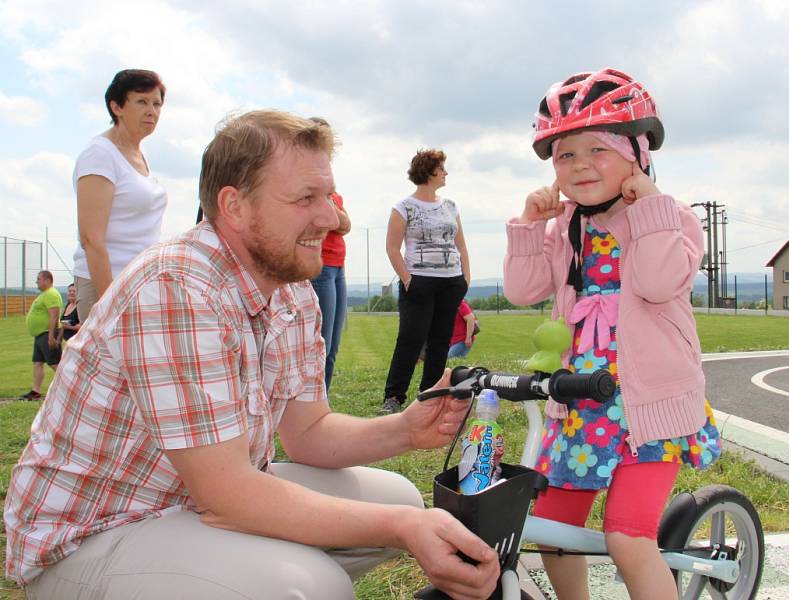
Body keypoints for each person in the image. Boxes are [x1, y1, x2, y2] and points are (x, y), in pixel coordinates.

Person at [4, 111, 499, 600]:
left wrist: (407, 429)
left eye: (328, 195)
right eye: (306, 198)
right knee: (311, 582)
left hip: (188, 505)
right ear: (235, 206)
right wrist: (404, 528)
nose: (332, 218)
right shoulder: (177, 286)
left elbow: (306, 434)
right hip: (94, 533)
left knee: (397, 498)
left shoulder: (291, 289)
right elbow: (228, 498)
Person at [503, 68, 721, 600]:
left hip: (648, 411)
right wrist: (532, 226)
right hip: (581, 405)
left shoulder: (669, 220)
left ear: (637, 153)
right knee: (554, 533)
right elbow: (521, 287)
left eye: (595, 150)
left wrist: (646, 207)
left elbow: (655, 281)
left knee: (628, 539)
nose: (578, 166)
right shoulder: (568, 227)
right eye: (565, 155)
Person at [72, 69, 168, 322]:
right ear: (116, 106)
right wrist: (109, 305)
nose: (152, 111)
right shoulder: (100, 155)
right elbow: (91, 239)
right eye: (142, 101)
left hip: (140, 283)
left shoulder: (140, 153)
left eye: (157, 103)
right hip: (107, 286)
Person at [381, 149, 470, 414]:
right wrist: (408, 280)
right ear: (430, 172)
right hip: (419, 282)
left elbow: (461, 246)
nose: (445, 173)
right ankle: (394, 397)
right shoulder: (404, 206)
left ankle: (431, 394)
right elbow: (392, 248)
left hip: (451, 281)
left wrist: (465, 278)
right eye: (441, 168)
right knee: (411, 338)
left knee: (441, 339)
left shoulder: (450, 206)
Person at [308, 117, 351, 392]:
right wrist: (328, 204)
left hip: (338, 268)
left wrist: (332, 210)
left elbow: (345, 225)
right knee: (320, 342)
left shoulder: (332, 192)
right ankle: (314, 402)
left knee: (333, 343)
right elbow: (330, 222)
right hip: (320, 268)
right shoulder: (313, 185)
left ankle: (324, 398)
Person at [20, 271, 63, 400]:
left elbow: (54, 316)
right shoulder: (44, 295)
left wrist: (51, 336)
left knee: (54, 363)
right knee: (38, 363)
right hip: (40, 335)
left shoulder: (51, 294)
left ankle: (71, 387)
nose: (36, 281)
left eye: (39, 279)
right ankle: (36, 391)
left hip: (47, 334)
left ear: (47, 280)